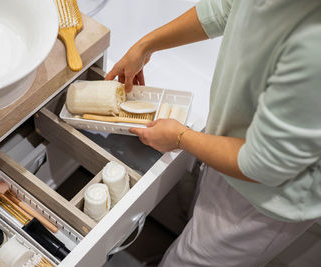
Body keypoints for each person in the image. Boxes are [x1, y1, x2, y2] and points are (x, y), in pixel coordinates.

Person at [105, 0, 321, 266]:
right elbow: (226, 8)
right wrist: (146, 45)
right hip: (231, 145)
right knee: (193, 235)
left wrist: (181, 138)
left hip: (267, 197)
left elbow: (262, 165)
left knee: (186, 260)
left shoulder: (313, 48)